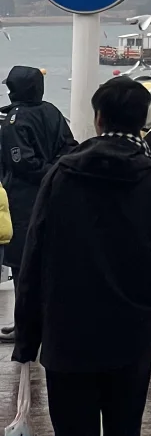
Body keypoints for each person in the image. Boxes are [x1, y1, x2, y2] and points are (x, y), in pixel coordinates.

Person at [12, 77, 151, 436]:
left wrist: (27, 338)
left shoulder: (61, 176)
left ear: (97, 117)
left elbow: (33, 258)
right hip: (130, 338)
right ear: (144, 119)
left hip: (66, 336)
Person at [0, 64, 76, 341]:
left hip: (22, 200)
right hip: (54, 198)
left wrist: (44, 173)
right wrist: (56, 173)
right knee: (47, 264)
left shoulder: (14, 121)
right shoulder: (53, 111)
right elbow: (70, 147)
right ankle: (45, 321)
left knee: (22, 266)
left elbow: (22, 163)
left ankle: (25, 326)